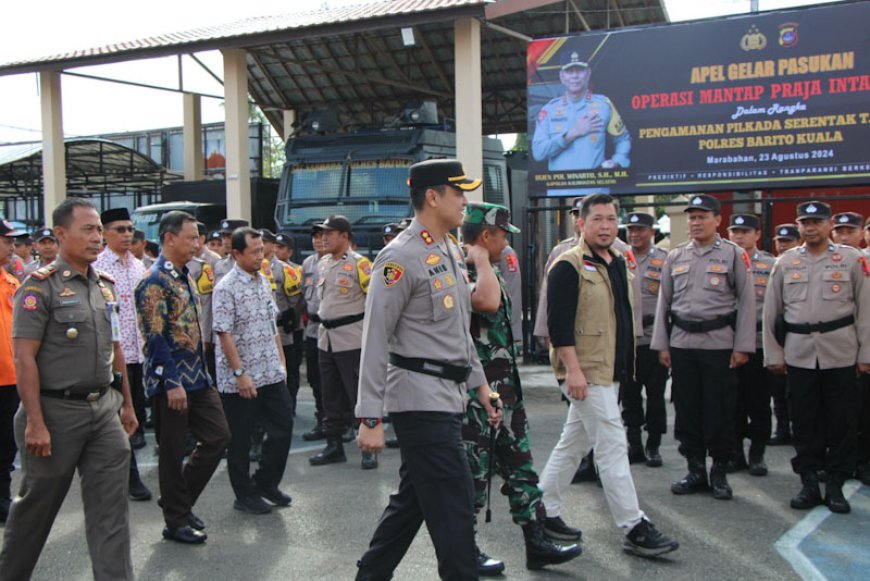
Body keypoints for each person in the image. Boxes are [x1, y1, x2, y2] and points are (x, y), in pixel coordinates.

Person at [354, 158, 501, 580]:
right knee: (455, 508)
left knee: (413, 501)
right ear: (433, 197)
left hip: (447, 396)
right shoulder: (399, 257)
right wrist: (370, 417)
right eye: (459, 193)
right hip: (419, 401)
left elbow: (458, 332)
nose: (465, 202)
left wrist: (482, 387)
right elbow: (375, 339)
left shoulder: (448, 249)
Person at [0, 198, 138, 580]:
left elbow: (116, 350)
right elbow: (25, 358)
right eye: (89, 230)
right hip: (55, 414)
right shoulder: (39, 287)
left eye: (99, 230)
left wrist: (126, 404)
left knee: (111, 513)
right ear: (60, 234)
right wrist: (35, 423)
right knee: (35, 510)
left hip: (103, 411)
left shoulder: (104, 287)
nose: (97, 238)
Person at [539, 193, 679, 559]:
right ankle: (633, 526)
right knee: (613, 446)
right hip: (585, 372)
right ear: (581, 223)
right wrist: (572, 371)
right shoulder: (567, 265)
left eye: (611, 219)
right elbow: (559, 324)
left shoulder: (618, 261)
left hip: (610, 369)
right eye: (597, 219)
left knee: (573, 444)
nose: (606, 226)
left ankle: (542, 510)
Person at [461, 202, 581, 575]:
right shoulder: (459, 271)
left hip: (505, 393)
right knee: (475, 474)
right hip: (476, 396)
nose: (505, 244)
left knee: (521, 468)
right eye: (501, 236)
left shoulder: (491, 269)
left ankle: (537, 542)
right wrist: (479, 260)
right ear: (485, 236)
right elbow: (485, 302)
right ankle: (466, 551)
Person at [764, 201, 870, 514]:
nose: (811, 228)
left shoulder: (851, 260)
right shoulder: (785, 262)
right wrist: (774, 354)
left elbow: (865, 311)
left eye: (817, 222)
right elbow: (773, 311)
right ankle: (809, 482)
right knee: (804, 422)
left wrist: (866, 354)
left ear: (828, 225)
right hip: (799, 354)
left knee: (842, 422)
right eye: (805, 222)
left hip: (841, 353)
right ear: (798, 226)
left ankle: (836, 484)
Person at [135, 210, 231, 544]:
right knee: (173, 452)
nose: (197, 243)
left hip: (198, 378)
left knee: (218, 436)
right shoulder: (153, 282)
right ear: (169, 238)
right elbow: (155, 337)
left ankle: (178, 499)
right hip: (171, 381)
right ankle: (175, 521)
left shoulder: (185, 276)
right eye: (191, 237)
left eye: (198, 237)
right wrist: (171, 382)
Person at [651, 194, 755, 501]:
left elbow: (747, 302)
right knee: (687, 409)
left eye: (702, 216)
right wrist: (662, 344)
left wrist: (742, 346)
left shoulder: (733, 254)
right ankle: (695, 468)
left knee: (719, 409)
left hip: (719, 344)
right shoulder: (676, 256)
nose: (695, 222)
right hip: (682, 344)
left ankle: (719, 470)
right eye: (692, 217)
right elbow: (664, 303)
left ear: (717, 220)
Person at [213, 227, 293, 515]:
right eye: (255, 251)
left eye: (263, 249)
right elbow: (224, 333)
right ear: (236, 253)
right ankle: (244, 494)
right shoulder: (226, 287)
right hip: (241, 378)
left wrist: (281, 362)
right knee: (241, 438)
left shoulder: (263, 280)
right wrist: (239, 374)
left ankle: (266, 483)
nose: (263, 255)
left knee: (283, 427)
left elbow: (273, 324)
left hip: (270, 372)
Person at [308, 215, 377, 469]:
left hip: (352, 338)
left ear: (345, 236)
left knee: (359, 394)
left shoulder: (361, 264)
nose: (324, 237)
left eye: (330, 233)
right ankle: (334, 444)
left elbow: (374, 302)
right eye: (323, 233)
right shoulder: (323, 263)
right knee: (330, 395)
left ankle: (369, 447)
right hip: (326, 339)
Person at [93, 207, 152, 502]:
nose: (127, 234)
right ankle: (129, 478)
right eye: (120, 229)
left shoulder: (139, 266)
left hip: (140, 355)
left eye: (130, 229)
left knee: (138, 415)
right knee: (118, 419)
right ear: (105, 233)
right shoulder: (98, 267)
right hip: (114, 356)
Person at [531, 51, 631, 196]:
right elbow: (539, 153)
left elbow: (623, 140)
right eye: (569, 71)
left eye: (579, 70)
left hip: (596, 195)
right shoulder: (549, 110)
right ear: (561, 76)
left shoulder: (603, 105)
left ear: (588, 73)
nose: (575, 76)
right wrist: (571, 134)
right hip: (560, 197)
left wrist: (617, 160)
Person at [726, 214, 775, 477]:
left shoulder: (770, 264)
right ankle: (735, 454)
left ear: (757, 234)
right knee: (732, 403)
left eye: (745, 231)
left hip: (758, 344)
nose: (739, 236)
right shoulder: (721, 260)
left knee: (758, 403)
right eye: (735, 231)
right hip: (727, 342)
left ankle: (757, 453)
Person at [621, 211, 669, 467]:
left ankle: (654, 444)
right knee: (629, 396)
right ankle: (634, 443)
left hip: (653, 340)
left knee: (655, 396)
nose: (635, 234)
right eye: (631, 229)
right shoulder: (619, 257)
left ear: (652, 232)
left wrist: (666, 342)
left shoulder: (664, 260)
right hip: (628, 342)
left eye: (640, 229)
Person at [0, 220, 24, 523]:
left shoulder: (12, 282)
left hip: (11, 379)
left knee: (6, 445)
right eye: (6, 241)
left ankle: (3, 499)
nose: (12, 247)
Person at [264, 231, 305, 409]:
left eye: (265, 242)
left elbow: (297, 302)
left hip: (284, 330)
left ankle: (289, 406)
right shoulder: (253, 267)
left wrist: (292, 324)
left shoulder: (287, 269)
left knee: (289, 370)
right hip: (263, 331)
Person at [768, 223, 800, 446]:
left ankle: (796, 429)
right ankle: (782, 427)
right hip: (780, 334)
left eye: (787, 241)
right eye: (780, 241)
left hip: (800, 337)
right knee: (778, 390)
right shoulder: (777, 265)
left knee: (797, 393)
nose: (783, 245)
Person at [301, 227, 327, 441]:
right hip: (312, 329)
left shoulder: (343, 261)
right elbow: (303, 296)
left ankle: (345, 421)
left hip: (334, 329)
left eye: (322, 236)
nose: (319, 240)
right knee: (314, 377)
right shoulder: (308, 264)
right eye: (315, 237)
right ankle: (322, 420)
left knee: (337, 380)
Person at [496, 244, 523, 349]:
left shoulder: (506, 252)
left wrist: (514, 332)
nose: (505, 241)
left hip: (501, 327)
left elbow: (513, 292)